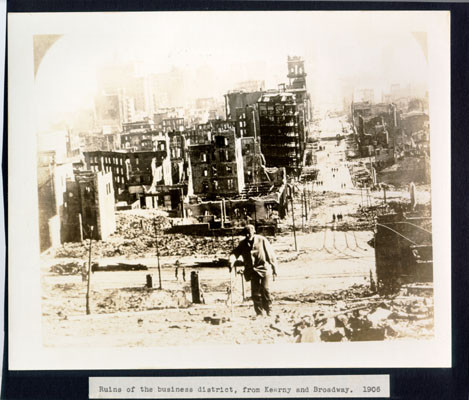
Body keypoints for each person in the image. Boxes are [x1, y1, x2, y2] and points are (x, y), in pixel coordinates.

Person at [229, 225, 278, 317]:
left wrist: (275, 269)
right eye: (246, 233)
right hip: (252, 270)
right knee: (255, 292)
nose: (248, 235)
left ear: (254, 232)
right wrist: (231, 259)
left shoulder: (262, 240)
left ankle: (269, 310)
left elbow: (271, 255)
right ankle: (259, 312)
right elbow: (235, 253)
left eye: (250, 233)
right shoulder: (243, 243)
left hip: (264, 268)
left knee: (265, 290)